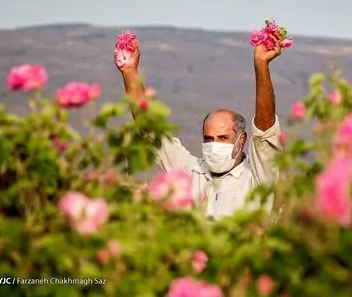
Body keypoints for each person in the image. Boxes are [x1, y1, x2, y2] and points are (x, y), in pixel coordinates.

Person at [116, 32, 283, 220]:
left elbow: (264, 132)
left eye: (223, 138)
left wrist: (261, 65)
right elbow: (149, 130)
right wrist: (129, 72)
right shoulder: (190, 170)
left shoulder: (257, 178)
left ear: (241, 140)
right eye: (208, 139)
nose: (214, 145)